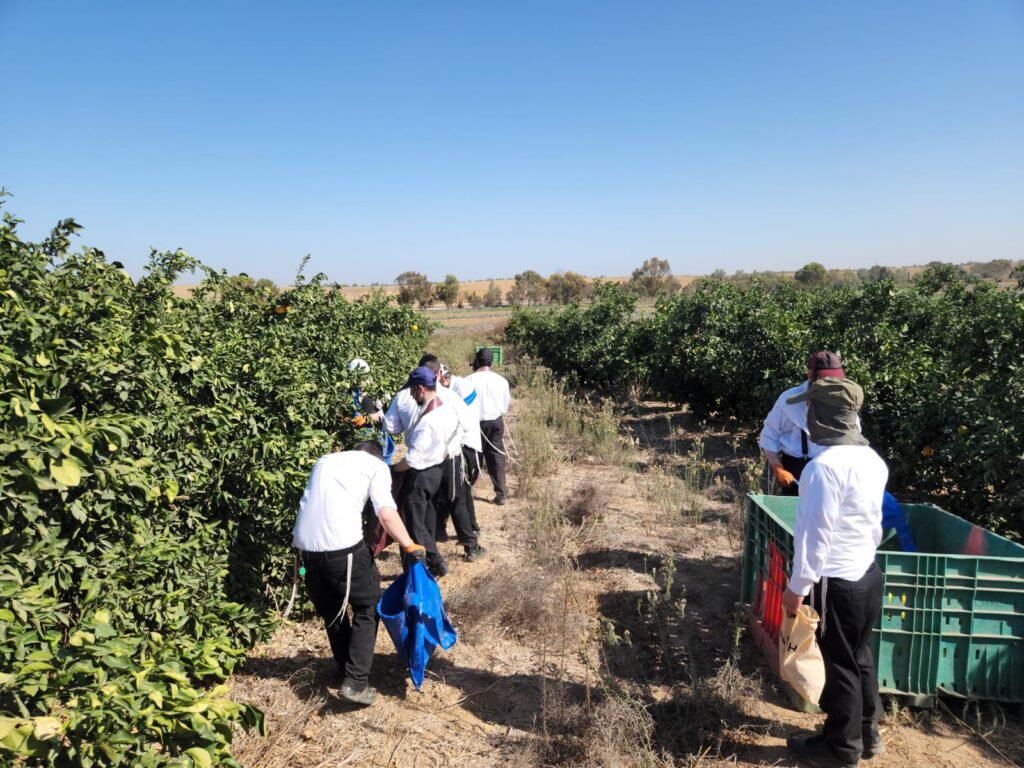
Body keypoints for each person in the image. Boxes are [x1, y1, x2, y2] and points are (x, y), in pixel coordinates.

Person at [781, 377, 889, 768]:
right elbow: (871, 525)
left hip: (836, 580)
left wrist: (797, 589)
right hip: (867, 574)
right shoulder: (871, 460)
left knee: (838, 663)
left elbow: (814, 538)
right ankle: (867, 733)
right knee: (858, 657)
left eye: (811, 409)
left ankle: (841, 750)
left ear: (821, 415)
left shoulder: (822, 469)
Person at [292, 440, 426, 707]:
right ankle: (355, 682)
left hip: (304, 551)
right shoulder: (376, 466)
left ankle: (344, 667)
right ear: (377, 455)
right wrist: (409, 545)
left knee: (333, 610)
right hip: (342, 549)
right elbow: (386, 513)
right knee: (369, 605)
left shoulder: (325, 461)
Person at [384, 357, 484, 563]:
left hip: (419, 461)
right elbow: (466, 425)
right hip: (448, 456)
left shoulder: (402, 397)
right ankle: (470, 545)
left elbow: (391, 428)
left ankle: (430, 552)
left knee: (426, 506)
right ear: (437, 374)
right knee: (456, 499)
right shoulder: (448, 396)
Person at [392, 366, 463, 578]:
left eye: (413, 392)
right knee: (421, 521)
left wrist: (393, 469)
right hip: (437, 471)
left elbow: (412, 460)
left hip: (421, 476)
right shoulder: (445, 409)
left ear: (420, 389)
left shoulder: (427, 422)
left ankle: (424, 567)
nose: (412, 397)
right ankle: (434, 561)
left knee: (412, 524)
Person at [759, 351, 846, 495]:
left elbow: (852, 438)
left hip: (828, 468)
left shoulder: (844, 401)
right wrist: (778, 468)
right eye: (826, 379)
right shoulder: (788, 401)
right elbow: (769, 436)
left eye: (835, 379)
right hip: (794, 468)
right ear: (810, 374)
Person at [467, 347, 511, 504]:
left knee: (472, 456)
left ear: (477, 361)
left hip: (475, 423)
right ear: (491, 362)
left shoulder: (468, 381)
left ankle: (467, 489)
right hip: (496, 422)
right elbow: (505, 405)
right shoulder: (501, 381)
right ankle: (501, 494)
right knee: (496, 457)